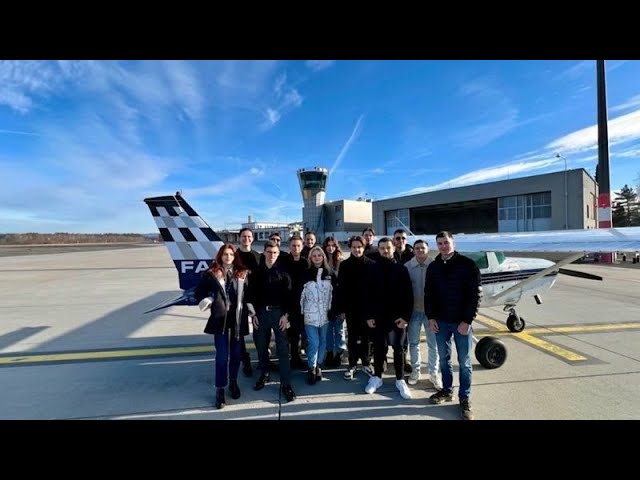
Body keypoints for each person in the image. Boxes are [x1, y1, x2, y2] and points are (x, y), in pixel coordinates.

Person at [425, 231, 482, 420]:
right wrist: (431, 317)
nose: (443, 246)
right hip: (440, 322)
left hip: (461, 323)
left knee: (465, 363)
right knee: (443, 360)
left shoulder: (468, 265)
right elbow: (428, 294)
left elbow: (475, 295)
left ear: (453, 242)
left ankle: (464, 398)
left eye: (446, 242)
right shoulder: (433, 267)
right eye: (439, 243)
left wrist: (467, 321)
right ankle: (447, 390)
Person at [194, 243, 250, 409]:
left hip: (238, 321)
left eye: (231, 255)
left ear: (235, 257)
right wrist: (209, 299)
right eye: (225, 254)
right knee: (222, 356)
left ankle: (233, 381)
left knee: (236, 355)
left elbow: (248, 294)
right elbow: (199, 293)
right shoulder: (211, 274)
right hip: (220, 321)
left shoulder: (243, 273)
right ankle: (220, 389)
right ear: (220, 256)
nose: (228, 257)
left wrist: (252, 312)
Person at [245, 240, 296, 402]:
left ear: (278, 254)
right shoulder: (257, 273)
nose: (272, 255)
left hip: (279, 314)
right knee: (261, 346)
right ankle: (264, 373)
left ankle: (286, 384)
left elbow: (290, 297)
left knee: (282, 349)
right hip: (260, 314)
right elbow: (250, 296)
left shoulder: (284, 273)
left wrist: (286, 315)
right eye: (269, 252)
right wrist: (253, 315)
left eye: (274, 252)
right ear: (264, 253)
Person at [363, 237, 414, 399]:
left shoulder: (401, 269)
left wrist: (405, 317)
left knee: (399, 349)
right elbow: (366, 294)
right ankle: (377, 377)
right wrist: (369, 316)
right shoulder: (372, 269)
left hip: (397, 318)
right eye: (382, 248)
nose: (385, 250)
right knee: (379, 348)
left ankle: (400, 379)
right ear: (379, 250)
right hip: (378, 317)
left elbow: (408, 296)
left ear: (393, 248)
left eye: (388, 248)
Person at [334, 235, 375, 380]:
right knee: (351, 337)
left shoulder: (371, 264)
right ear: (350, 248)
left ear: (363, 247)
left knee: (366, 338)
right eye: (354, 247)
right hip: (351, 309)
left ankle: (366, 363)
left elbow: (374, 290)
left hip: (367, 309)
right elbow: (341, 289)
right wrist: (342, 309)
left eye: (359, 247)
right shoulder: (345, 265)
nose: (357, 249)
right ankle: (352, 364)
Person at [404, 240, 441, 389]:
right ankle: (415, 371)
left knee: (434, 344)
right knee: (413, 343)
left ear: (428, 250)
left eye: (423, 248)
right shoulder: (407, 267)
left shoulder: (435, 266)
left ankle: (433, 373)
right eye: (417, 248)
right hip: (413, 312)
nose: (420, 251)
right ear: (413, 250)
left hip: (431, 313)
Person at [300, 246, 336, 384]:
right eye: (314, 256)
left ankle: (319, 365)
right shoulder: (305, 273)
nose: (317, 258)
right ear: (310, 258)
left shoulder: (330, 274)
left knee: (323, 342)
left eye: (319, 255)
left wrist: (334, 310)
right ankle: (311, 367)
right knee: (313, 342)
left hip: (325, 315)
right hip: (310, 316)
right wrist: (300, 313)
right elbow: (300, 296)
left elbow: (335, 294)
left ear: (323, 257)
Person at [235, 227, 260, 377]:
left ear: (252, 239)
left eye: (249, 236)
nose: (246, 239)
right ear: (240, 238)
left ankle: (263, 357)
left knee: (259, 329)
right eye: (244, 236)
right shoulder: (235, 256)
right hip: (240, 299)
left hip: (256, 298)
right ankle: (245, 360)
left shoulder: (257, 256)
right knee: (241, 332)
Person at [322, 236, 346, 367]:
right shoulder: (322, 261)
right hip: (325, 301)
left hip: (339, 301)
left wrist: (343, 308)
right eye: (328, 245)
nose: (330, 248)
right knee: (328, 329)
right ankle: (329, 352)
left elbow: (345, 286)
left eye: (333, 245)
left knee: (339, 329)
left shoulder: (341, 262)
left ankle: (339, 353)